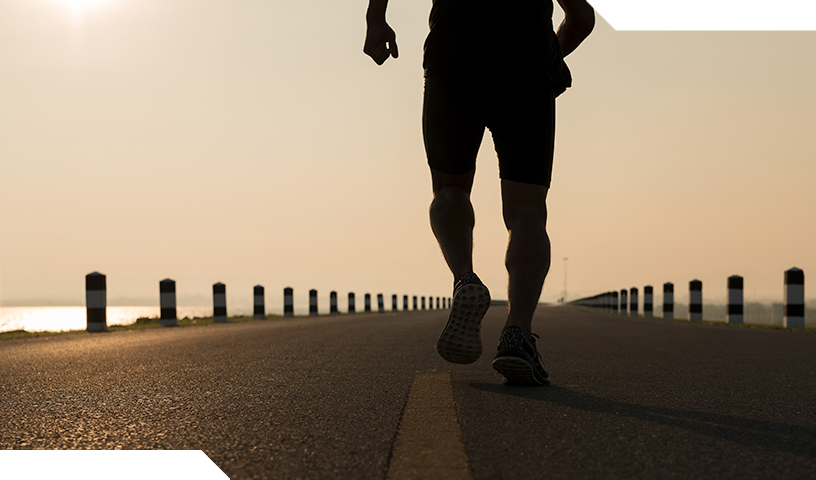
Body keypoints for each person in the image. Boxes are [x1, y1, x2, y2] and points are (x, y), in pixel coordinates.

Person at [364, 0, 594, 385]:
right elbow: (582, 19)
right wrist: (551, 55)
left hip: (453, 56)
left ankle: (465, 279)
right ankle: (516, 335)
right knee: (527, 212)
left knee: (450, 189)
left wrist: (376, 20)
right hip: (527, 62)